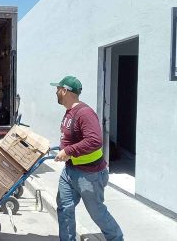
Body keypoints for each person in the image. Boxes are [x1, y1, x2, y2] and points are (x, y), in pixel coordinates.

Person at [50, 76, 123, 241]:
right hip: (70, 171)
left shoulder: (85, 113)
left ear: (65, 90)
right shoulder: (69, 112)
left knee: (97, 212)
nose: (56, 92)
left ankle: (116, 238)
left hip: (90, 175)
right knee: (64, 207)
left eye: (58, 89)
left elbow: (95, 141)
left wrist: (68, 150)